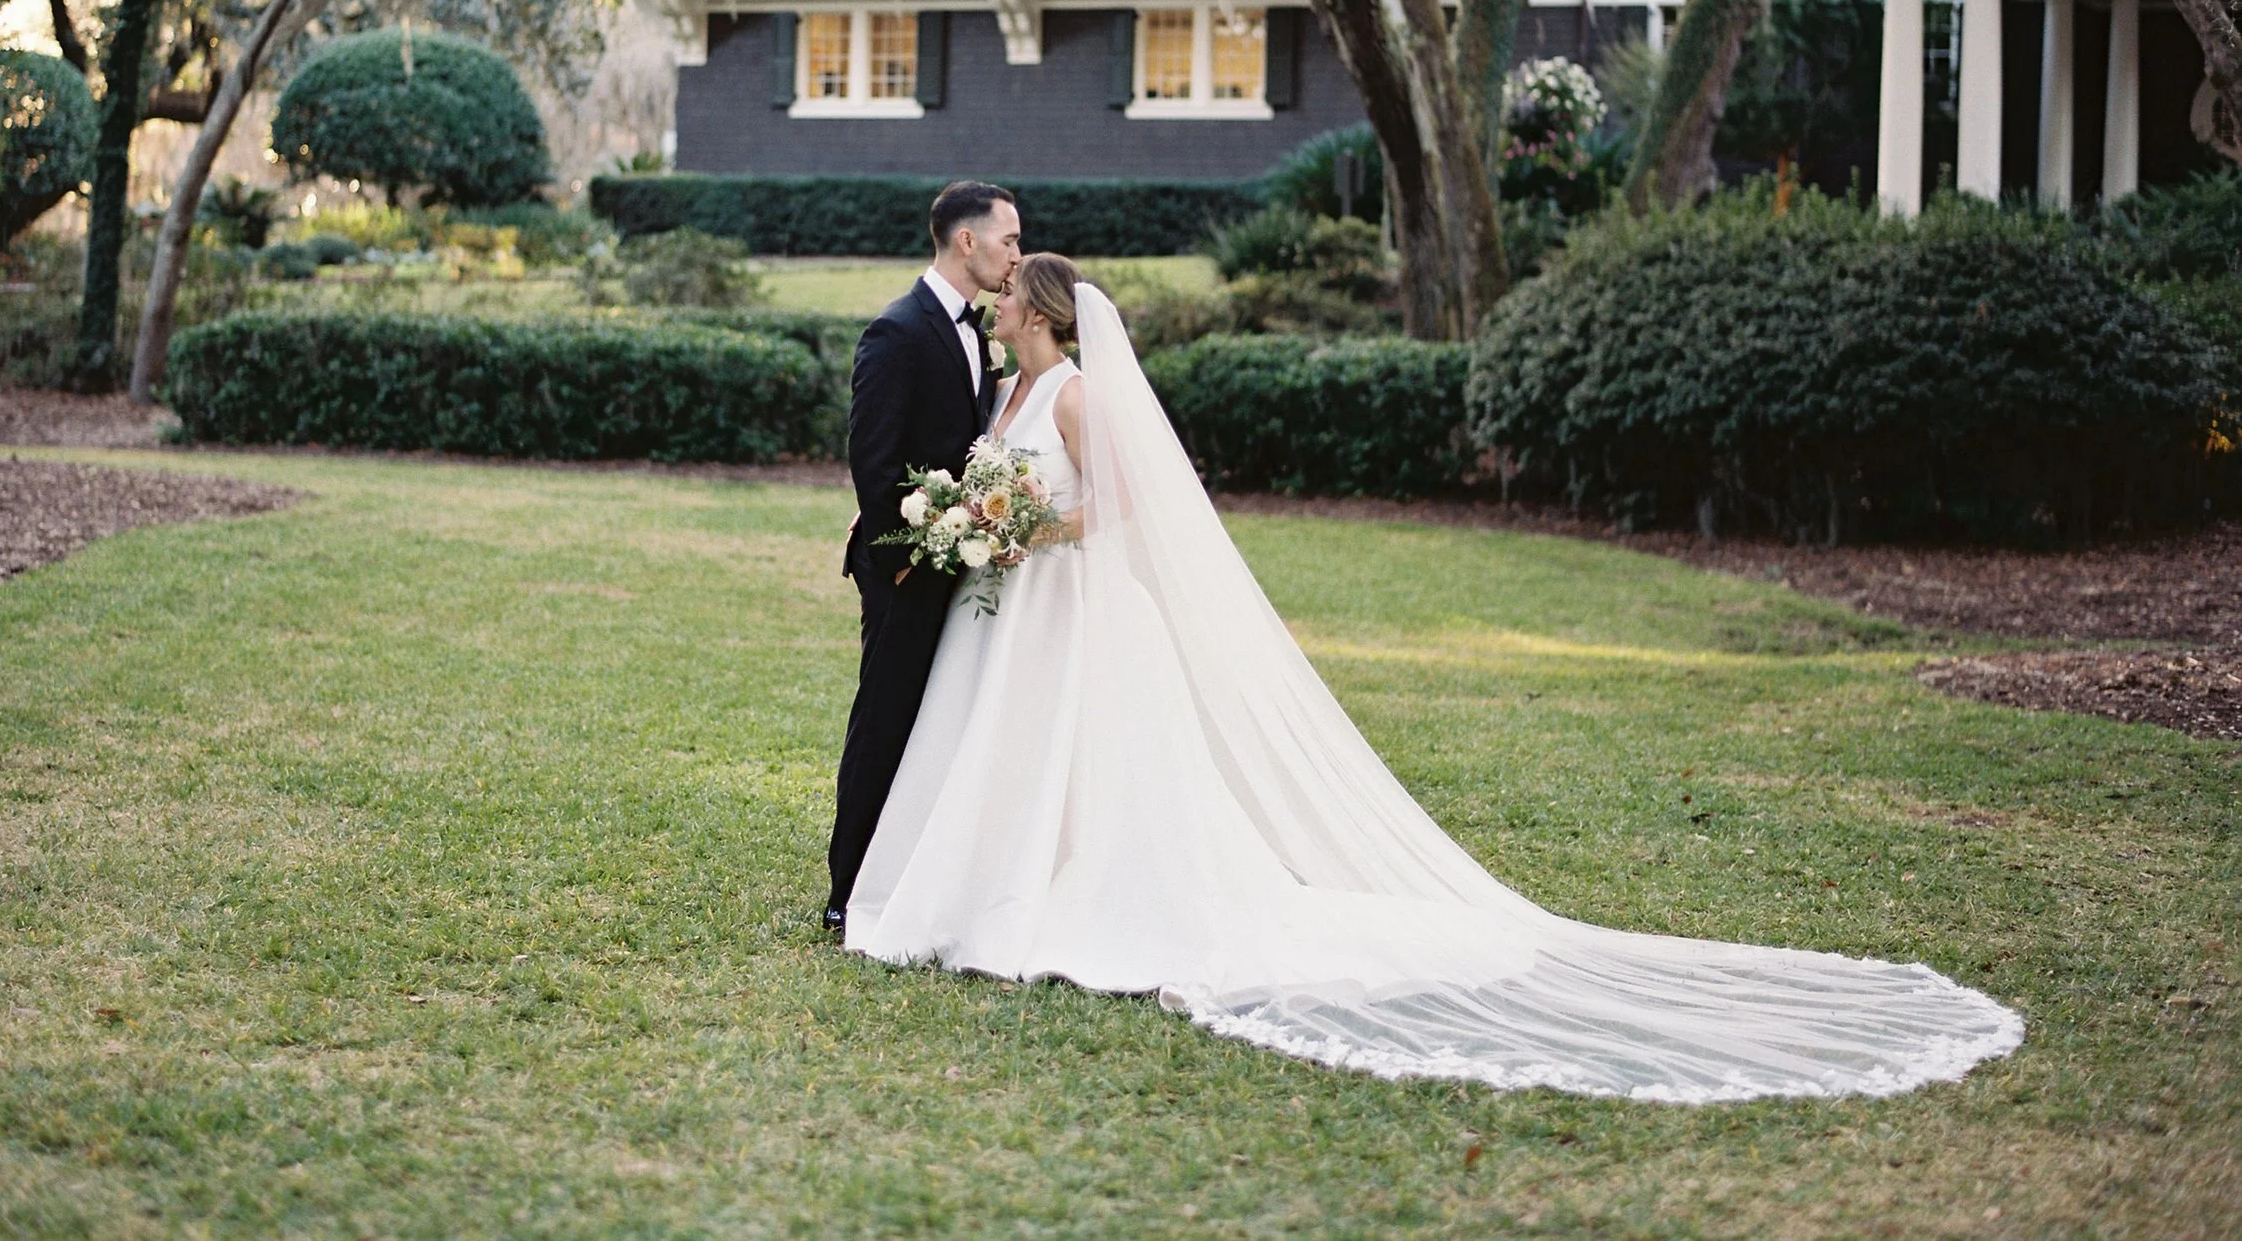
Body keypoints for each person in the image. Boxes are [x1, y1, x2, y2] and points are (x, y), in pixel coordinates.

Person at [843, 261, 2025, 1102]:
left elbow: (1119, 505)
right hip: (1009, 613)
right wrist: (978, 520)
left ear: (1042, 313)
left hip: (1074, 603)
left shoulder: (1083, 392)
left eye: (1008, 299)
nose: (995, 308)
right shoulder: (1010, 393)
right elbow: (996, 478)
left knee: (1093, 758)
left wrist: (1027, 532)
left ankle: (1085, 894)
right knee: (1005, 751)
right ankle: (999, 880)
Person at [824, 181, 1021, 934]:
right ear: (965, 241)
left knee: (936, 726)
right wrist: (901, 558)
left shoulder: (980, 333)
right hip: (906, 570)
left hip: (960, 565)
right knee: (884, 721)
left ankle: (913, 875)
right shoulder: (896, 330)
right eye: (1007, 238)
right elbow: (871, 459)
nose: (1015, 252)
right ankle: (848, 889)